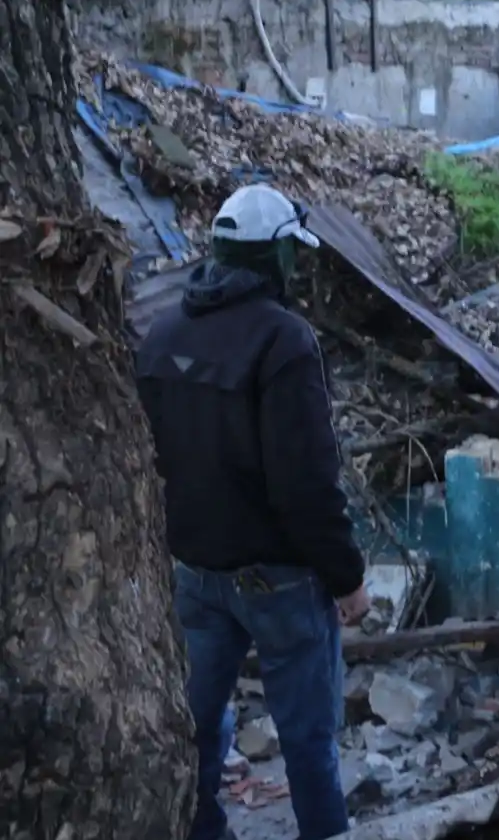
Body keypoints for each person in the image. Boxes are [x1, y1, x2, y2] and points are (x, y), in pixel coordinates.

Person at [135, 183, 369, 840]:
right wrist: (347, 577)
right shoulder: (284, 340)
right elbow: (306, 483)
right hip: (281, 580)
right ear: (274, 258)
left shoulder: (162, 335)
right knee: (308, 743)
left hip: (195, 572)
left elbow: (151, 459)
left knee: (197, 732)